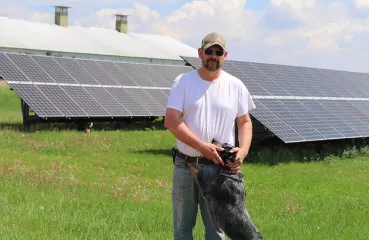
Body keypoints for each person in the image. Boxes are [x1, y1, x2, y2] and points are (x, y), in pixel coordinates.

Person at [164, 32, 256, 240]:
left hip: (220, 171)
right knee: (182, 229)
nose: (213, 56)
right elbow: (171, 120)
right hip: (186, 166)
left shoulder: (235, 85)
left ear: (225, 56)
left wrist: (243, 151)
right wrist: (202, 146)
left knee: (216, 231)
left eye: (218, 52)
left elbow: (245, 122)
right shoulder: (183, 82)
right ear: (200, 53)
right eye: (209, 51)